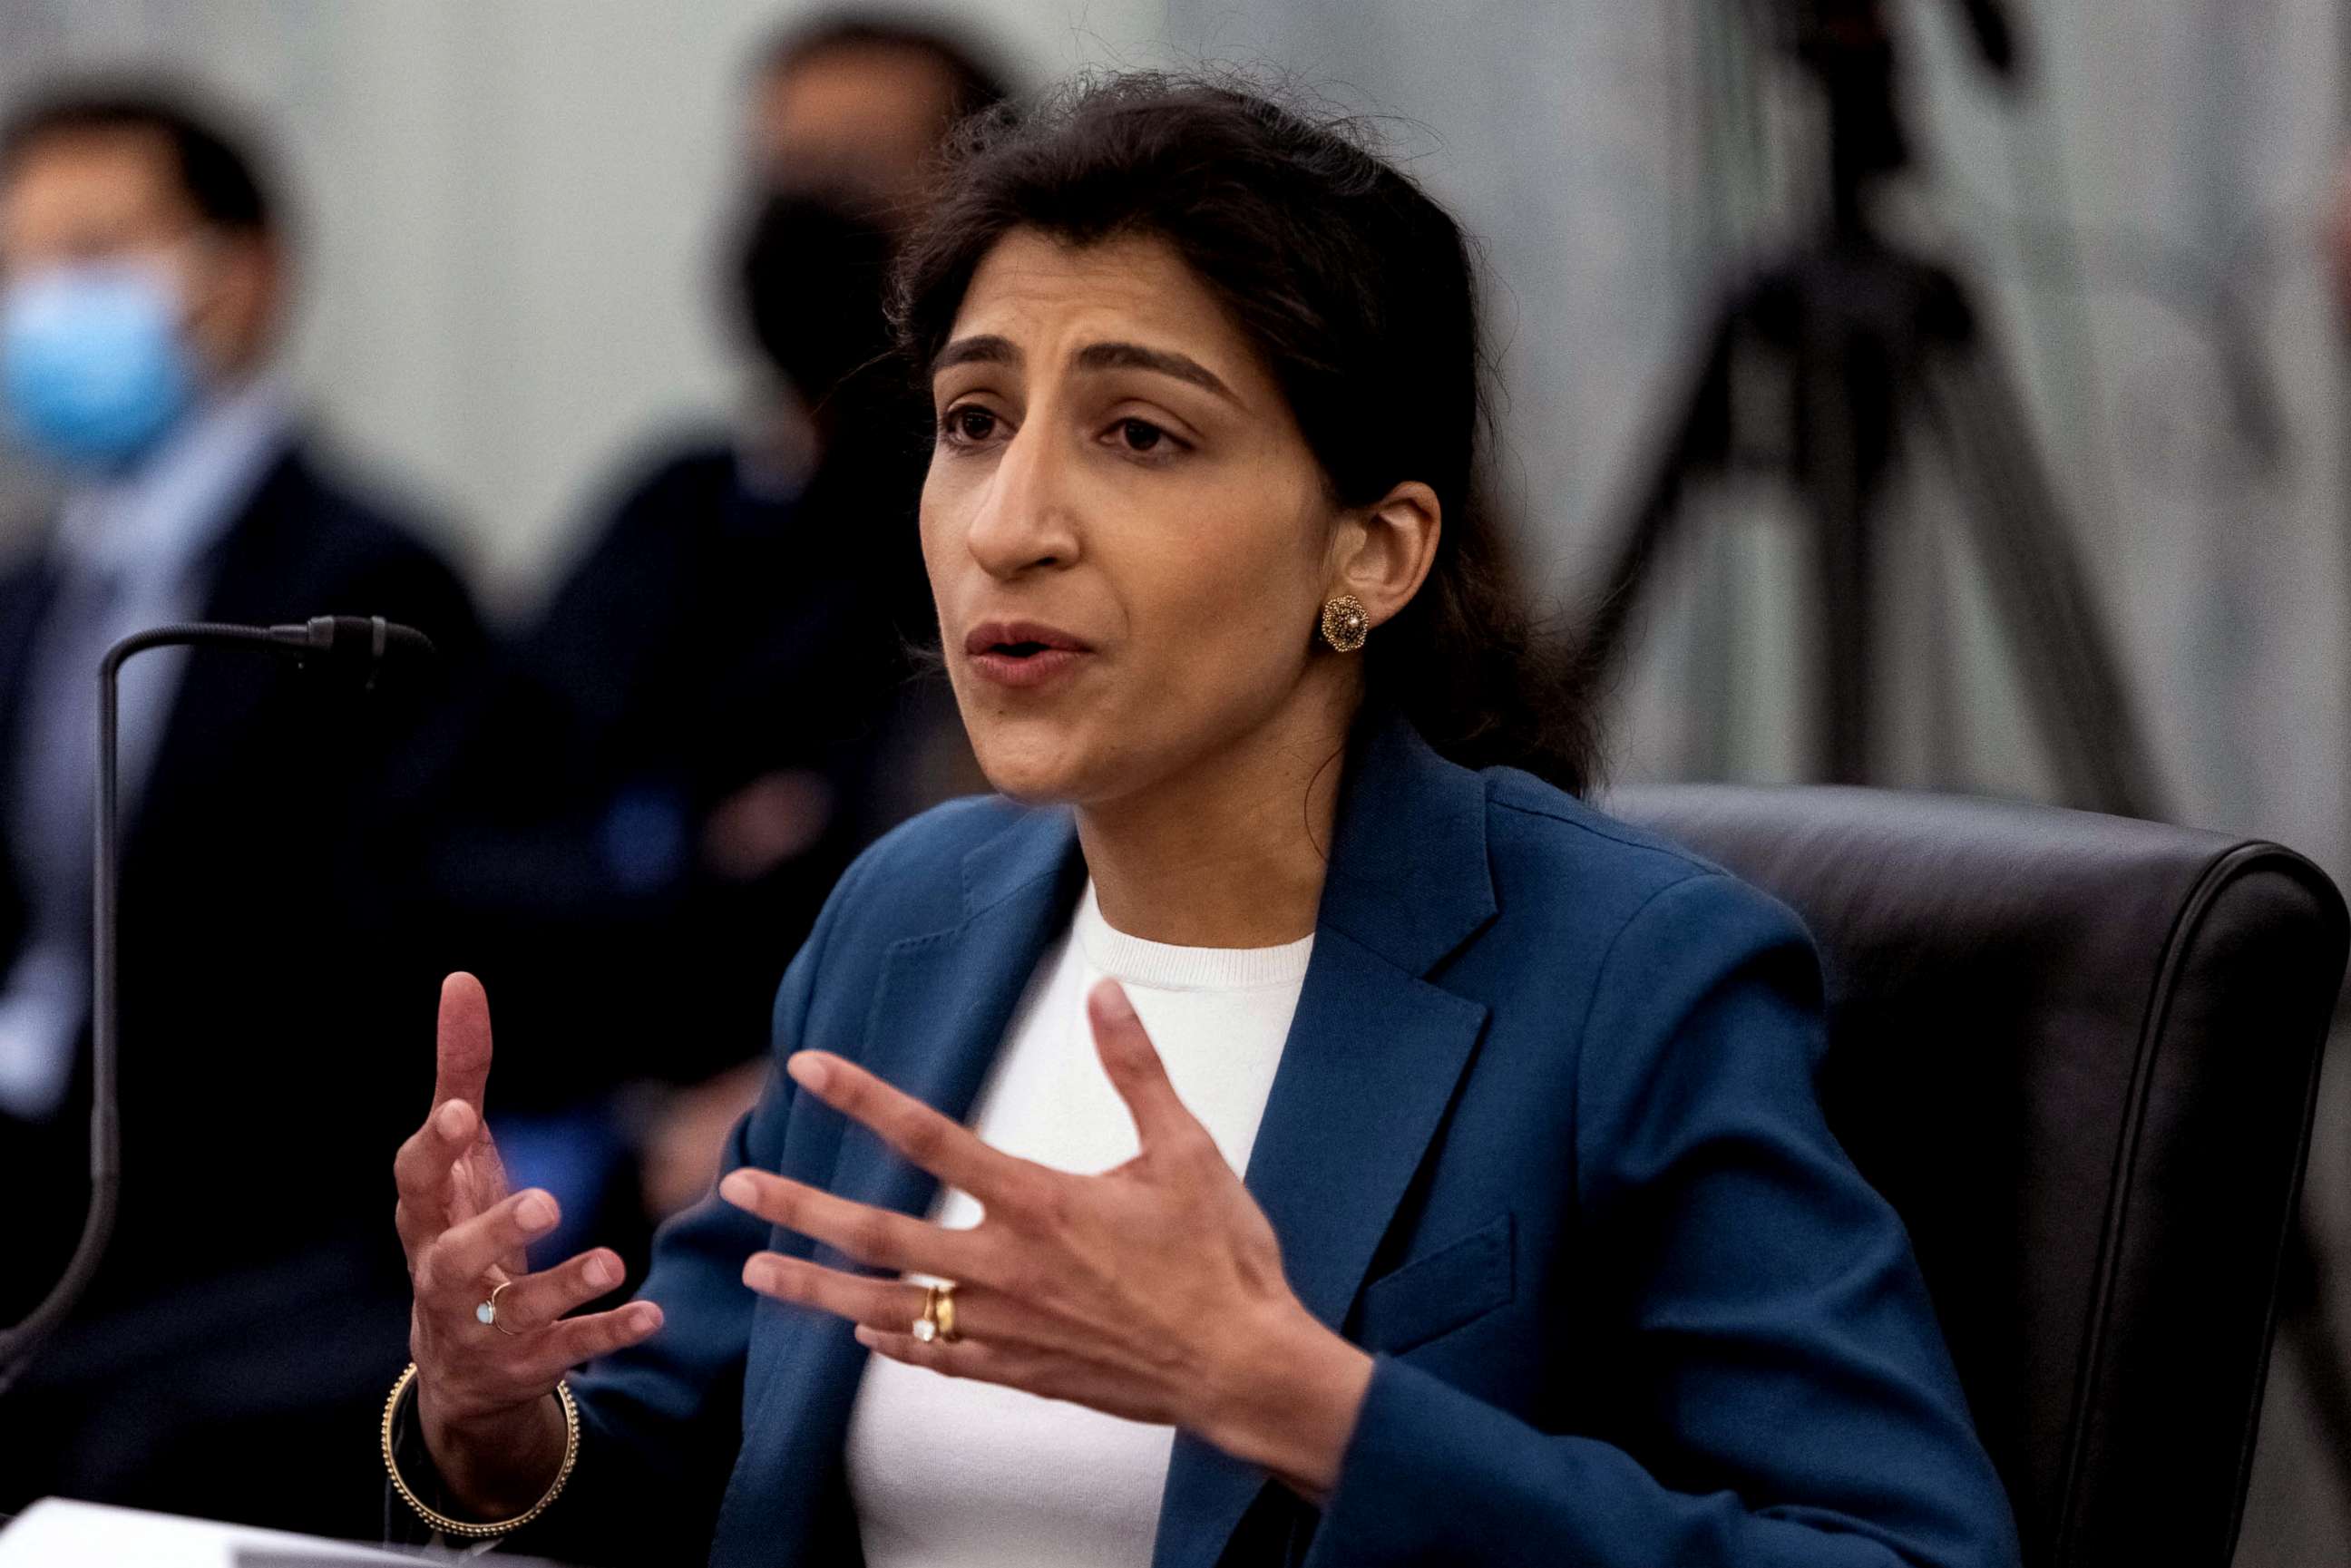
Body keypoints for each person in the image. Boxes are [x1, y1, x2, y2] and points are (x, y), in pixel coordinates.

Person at [382, 76, 2022, 1567]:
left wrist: (1296, 1398)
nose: (1012, 526)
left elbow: (1908, 1559)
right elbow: (719, 1445)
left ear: (1372, 554)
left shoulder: (1631, 978)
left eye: (1140, 434)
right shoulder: (911, 914)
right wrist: (502, 1420)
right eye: (972, 422)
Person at [419, 16, 1011, 1245]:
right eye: (780, 169)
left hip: (797, 1161)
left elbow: (896, 883)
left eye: (854, 170)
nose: (803, 211)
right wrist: (692, 863)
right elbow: (448, 847)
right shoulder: (675, 508)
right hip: (552, 1134)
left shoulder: (987, 538)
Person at [0, 84, 479, 1532]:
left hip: (248, 1229)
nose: (43, 303)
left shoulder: (368, 580)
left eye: (93, 254)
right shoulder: (30, 591)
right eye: (23, 265)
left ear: (241, 270)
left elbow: (376, 948)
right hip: (35, 1176)